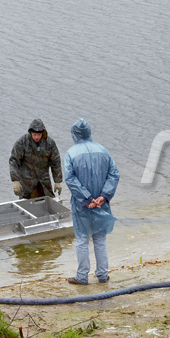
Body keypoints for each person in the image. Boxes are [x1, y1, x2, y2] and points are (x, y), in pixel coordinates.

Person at [63, 119, 119, 285]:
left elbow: (70, 179)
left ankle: (82, 276)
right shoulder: (103, 150)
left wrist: (86, 198)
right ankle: (102, 275)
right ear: (89, 132)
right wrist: (104, 196)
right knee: (100, 239)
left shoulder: (71, 153)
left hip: (82, 205)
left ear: (74, 134)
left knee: (81, 240)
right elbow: (114, 174)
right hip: (102, 203)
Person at [9, 119, 63, 199]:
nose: (37, 137)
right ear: (30, 132)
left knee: (49, 205)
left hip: (44, 183)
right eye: (34, 134)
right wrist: (15, 181)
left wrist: (57, 181)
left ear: (43, 133)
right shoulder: (22, 143)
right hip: (27, 183)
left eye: (39, 134)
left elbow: (56, 162)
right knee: (25, 206)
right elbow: (14, 161)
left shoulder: (50, 143)